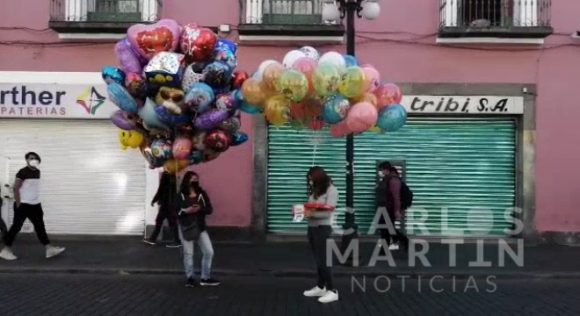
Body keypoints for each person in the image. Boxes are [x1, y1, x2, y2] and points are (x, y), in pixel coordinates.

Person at [0, 152, 66, 261]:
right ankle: (6, 251)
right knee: (16, 227)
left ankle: (49, 249)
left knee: (40, 227)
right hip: (23, 205)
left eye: (35, 158)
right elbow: (16, 188)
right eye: (31, 158)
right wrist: (18, 203)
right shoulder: (22, 172)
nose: (33, 160)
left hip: (35, 205)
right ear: (26, 160)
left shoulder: (37, 172)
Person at [303, 166, 340, 304]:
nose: (310, 182)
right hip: (312, 229)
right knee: (318, 260)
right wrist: (302, 212)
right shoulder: (316, 191)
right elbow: (311, 207)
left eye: (311, 179)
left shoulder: (332, 190)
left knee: (325, 260)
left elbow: (328, 212)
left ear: (318, 177)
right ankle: (321, 286)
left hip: (322, 229)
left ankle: (332, 290)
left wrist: (310, 214)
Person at [177, 171, 220, 288]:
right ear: (186, 180)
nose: (194, 181)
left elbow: (210, 209)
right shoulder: (180, 195)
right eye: (192, 179)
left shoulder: (201, 193)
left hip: (200, 226)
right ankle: (190, 278)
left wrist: (200, 208)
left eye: (196, 178)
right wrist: (184, 211)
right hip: (186, 227)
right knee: (188, 253)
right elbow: (175, 211)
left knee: (209, 251)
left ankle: (205, 277)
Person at [376, 161, 409, 252]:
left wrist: (397, 211)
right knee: (386, 228)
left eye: (381, 170)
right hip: (384, 207)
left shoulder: (393, 180)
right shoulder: (387, 179)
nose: (380, 172)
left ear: (386, 169)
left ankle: (403, 240)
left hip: (389, 209)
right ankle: (386, 248)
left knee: (387, 228)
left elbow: (396, 197)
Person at [144, 171, 181, 248]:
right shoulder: (173, 177)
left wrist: (154, 200)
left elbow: (160, 190)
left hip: (167, 205)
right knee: (169, 223)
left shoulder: (168, 177)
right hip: (170, 205)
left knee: (163, 222)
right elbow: (161, 190)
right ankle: (153, 239)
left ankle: (153, 239)